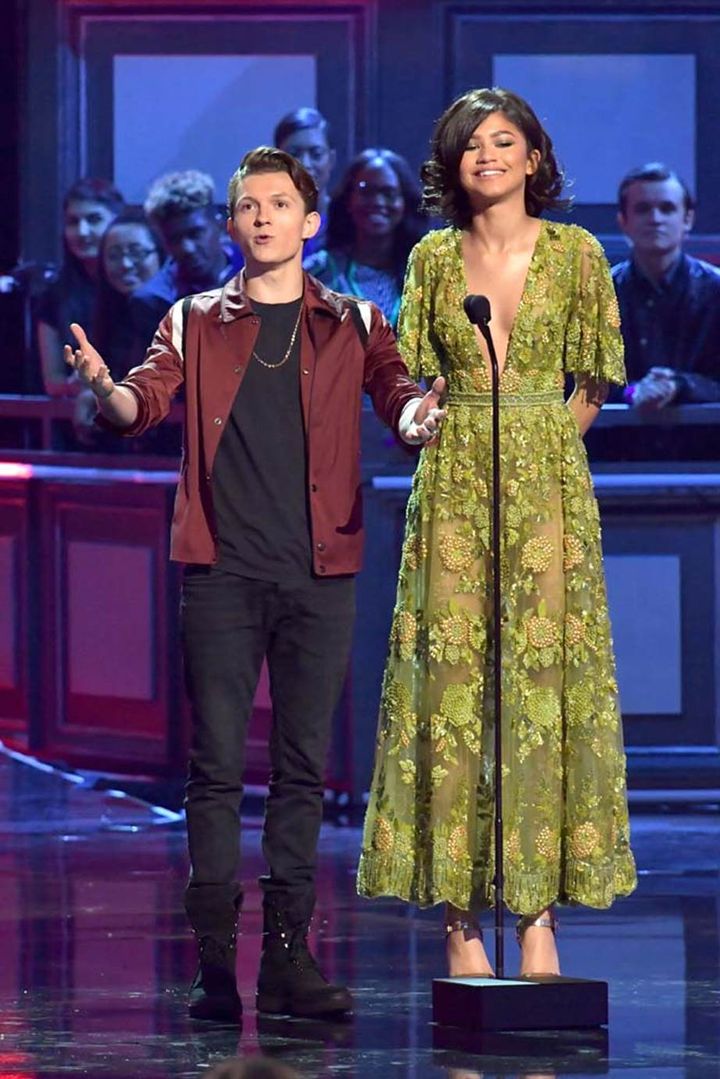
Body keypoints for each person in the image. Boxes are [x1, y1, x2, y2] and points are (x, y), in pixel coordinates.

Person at [63, 147, 444, 1021]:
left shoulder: (355, 320)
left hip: (320, 570)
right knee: (216, 770)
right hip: (222, 572)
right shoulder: (193, 319)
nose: (263, 216)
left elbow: (398, 400)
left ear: (311, 222)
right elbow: (141, 404)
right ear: (233, 225)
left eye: (279, 203)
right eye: (248, 205)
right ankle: (212, 963)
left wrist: (424, 413)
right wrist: (104, 389)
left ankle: (286, 957)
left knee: (303, 770)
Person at [357, 87, 637, 979]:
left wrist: (544, 447)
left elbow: (595, 381)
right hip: (452, 489)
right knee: (452, 696)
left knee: (542, 690)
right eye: (471, 142)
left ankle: (539, 915)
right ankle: (460, 918)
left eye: (504, 140)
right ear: (453, 161)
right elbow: (410, 380)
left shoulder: (579, 254)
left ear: (533, 157)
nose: (487, 154)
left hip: (548, 490)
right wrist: (430, 421)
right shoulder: (433, 258)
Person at [612, 162, 720, 408]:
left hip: (706, 433)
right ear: (623, 221)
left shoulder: (716, 292)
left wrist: (680, 386)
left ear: (687, 219)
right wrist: (633, 392)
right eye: (643, 209)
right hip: (619, 433)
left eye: (667, 208)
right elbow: (576, 382)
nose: (655, 219)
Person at [72, 208, 165, 448]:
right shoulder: (104, 314)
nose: (125, 264)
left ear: (161, 255)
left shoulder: (178, 313)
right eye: (113, 256)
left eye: (137, 253)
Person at [304, 148, 426, 328]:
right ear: (348, 200)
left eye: (389, 193)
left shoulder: (423, 274)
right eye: (366, 191)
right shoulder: (319, 272)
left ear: (405, 203)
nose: (378, 202)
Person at [130, 169, 236, 355]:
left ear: (220, 225)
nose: (187, 248)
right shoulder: (156, 301)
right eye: (174, 239)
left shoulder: (261, 269)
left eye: (195, 233)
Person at [35, 178, 124, 395]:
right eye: (73, 222)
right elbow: (53, 382)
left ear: (116, 223)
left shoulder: (135, 286)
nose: (82, 232)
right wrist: (76, 383)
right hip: (81, 406)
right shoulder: (54, 293)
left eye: (94, 220)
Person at [274, 107, 335, 256]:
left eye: (316, 154)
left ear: (331, 160)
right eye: (294, 154)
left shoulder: (346, 221)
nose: (305, 164)